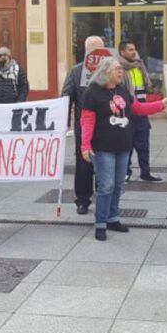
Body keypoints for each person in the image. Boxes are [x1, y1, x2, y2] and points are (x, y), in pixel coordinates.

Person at [81, 57, 167, 241]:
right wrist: (85, 146)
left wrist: (161, 105)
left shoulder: (123, 90)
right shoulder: (92, 92)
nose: (121, 72)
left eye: (121, 69)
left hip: (123, 146)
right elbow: (87, 121)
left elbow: (138, 109)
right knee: (106, 186)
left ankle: (113, 218)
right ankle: (101, 223)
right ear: (105, 72)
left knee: (118, 185)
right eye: (117, 69)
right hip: (103, 147)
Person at [62, 36, 104, 215]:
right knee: (83, 164)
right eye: (94, 51)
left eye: (100, 50)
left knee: (104, 163)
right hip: (84, 127)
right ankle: (83, 200)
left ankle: (104, 198)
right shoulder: (76, 71)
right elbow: (66, 97)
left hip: (106, 127)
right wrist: (65, 123)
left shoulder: (110, 70)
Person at [118, 40, 162, 183]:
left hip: (142, 111)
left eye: (134, 49)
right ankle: (125, 172)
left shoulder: (139, 66)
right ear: (122, 52)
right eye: (130, 49)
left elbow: (145, 86)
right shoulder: (118, 68)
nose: (134, 52)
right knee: (127, 146)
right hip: (127, 112)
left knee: (144, 145)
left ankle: (145, 172)